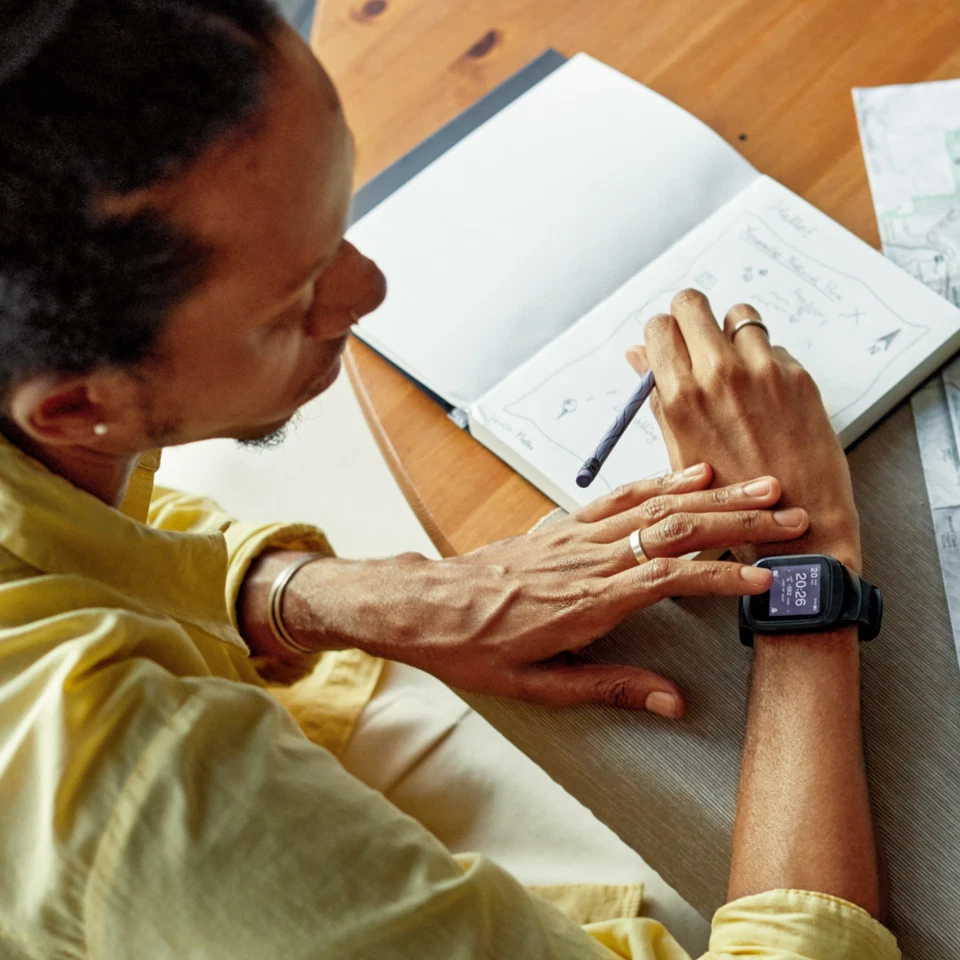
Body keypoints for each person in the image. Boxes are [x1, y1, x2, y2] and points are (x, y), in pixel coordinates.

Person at [0, 2, 898, 958]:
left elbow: (71, 543)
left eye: (338, 211)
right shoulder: (142, 802)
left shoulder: (48, 416)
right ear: (71, 408)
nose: (368, 289)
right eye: (292, 301)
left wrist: (337, 597)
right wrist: (807, 566)